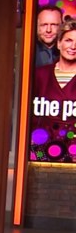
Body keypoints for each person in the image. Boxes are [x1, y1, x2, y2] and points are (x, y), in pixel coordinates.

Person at [32, 19, 76, 153]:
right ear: (58, 43)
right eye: (68, 40)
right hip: (42, 149)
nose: (73, 46)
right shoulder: (40, 75)